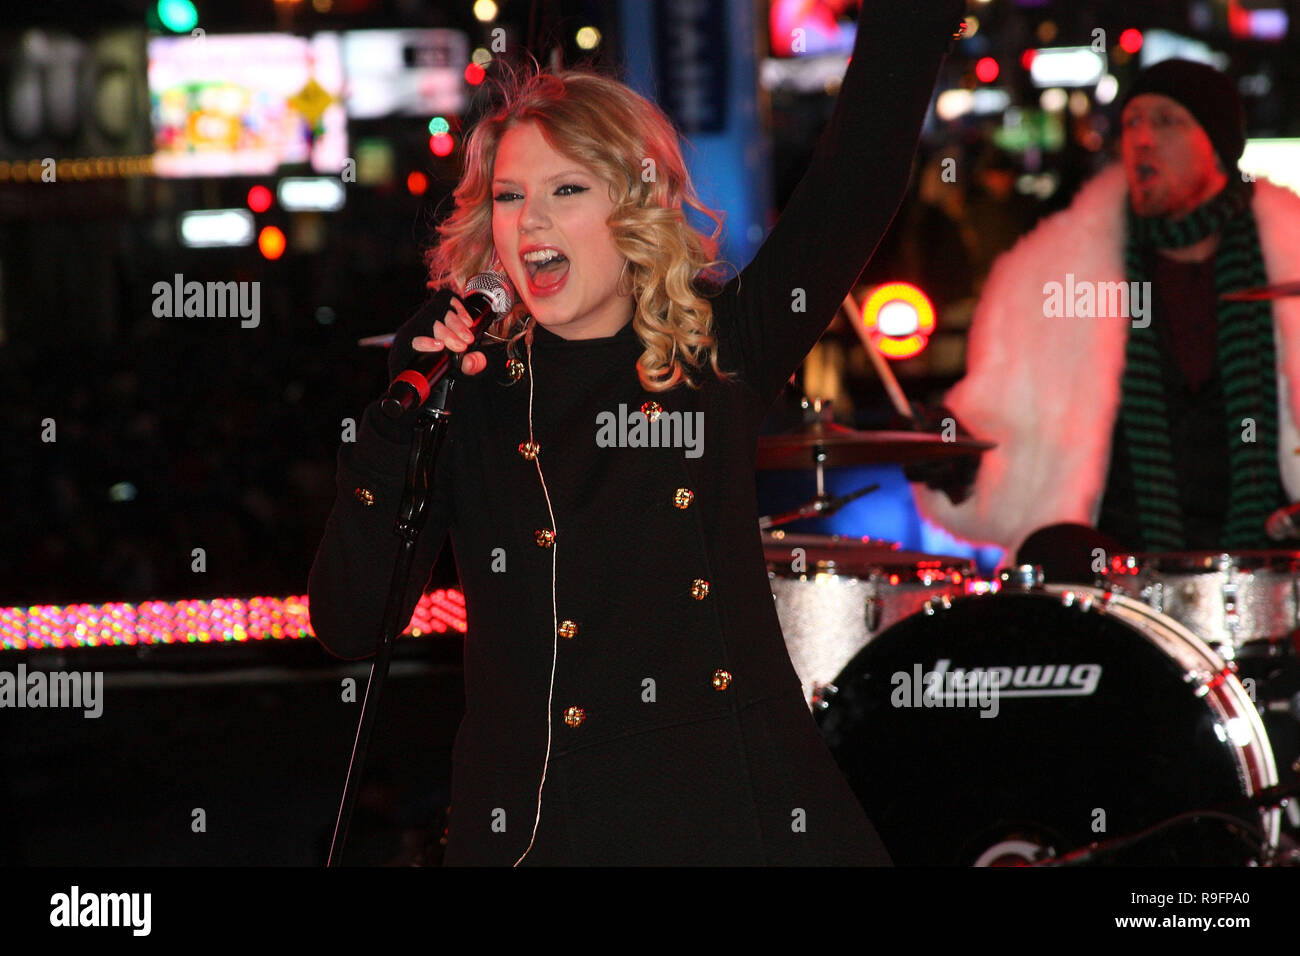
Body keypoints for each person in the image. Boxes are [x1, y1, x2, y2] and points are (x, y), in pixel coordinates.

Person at [308, 2, 964, 865]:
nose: (530, 220)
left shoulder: (714, 356)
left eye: (566, 189)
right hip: (542, 827)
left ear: (636, 207)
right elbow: (349, 621)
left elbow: (855, 181)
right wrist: (402, 424)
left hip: (729, 811)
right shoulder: (466, 390)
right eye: (510, 196)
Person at [906, 59, 1300, 581]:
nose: (1140, 138)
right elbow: (1005, 438)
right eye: (1132, 122)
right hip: (1112, 584)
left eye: (1166, 121)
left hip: (1270, 579)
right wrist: (958, 463)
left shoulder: (1288, 260)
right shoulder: (1053, 277)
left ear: (1219, 147)